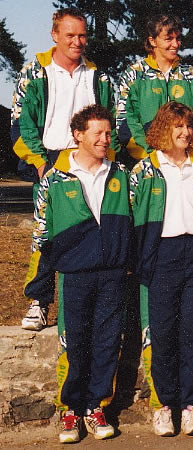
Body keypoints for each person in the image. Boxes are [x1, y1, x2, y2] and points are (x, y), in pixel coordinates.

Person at [23, 104, 130, 443]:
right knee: (74, 344)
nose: (105, 139)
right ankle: (70, 410)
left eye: (108, 133)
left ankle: (96, 407)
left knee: (107, 342)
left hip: (113, 273)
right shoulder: (54, 180)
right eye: (97, 133)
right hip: (74, 275)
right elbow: (41, 235)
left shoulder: (121, 174)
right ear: (78, 135)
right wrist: (42, 285)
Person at [10, 7, 117, 332]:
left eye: (82, 35)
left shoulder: (98, 76)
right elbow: (21, 124)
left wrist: (107, 159)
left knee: (94, 232)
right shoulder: (34, 72)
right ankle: (39, 302)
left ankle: (95, 306)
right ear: (54, 35)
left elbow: (111, 121)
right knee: (47, 234)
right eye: (70, 35)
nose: (77, 42)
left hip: (93, 159)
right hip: (52, 160)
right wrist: (40, 164)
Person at [129, 102, 193, 437]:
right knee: (163, 334)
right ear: (163, 129)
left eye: (189, 126)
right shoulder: (145, 169)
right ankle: (164, 406)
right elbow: (134, 217)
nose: (185, 132)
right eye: (178, 126)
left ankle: (191, 406)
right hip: (162, 254)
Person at [116, 15, 193, 162]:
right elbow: (125, 121)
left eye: (178, 38)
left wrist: (190, 156)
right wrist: (151, 157)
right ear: (152, 41)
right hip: (146, 161)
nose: (175, 44)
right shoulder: (134, 75)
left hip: (186, 161)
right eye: (168, 39)